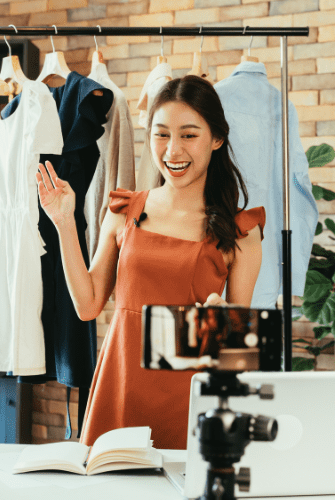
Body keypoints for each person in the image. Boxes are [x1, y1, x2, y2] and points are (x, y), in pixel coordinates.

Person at [35, 75, 265, 450]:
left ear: (217, 139)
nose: (173, 151)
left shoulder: (240, 230)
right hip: (121, 384)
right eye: (161, 135)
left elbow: (239, 355)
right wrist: (64, 223)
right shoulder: (126, 209)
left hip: (191, 397)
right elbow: (88, 304)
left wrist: (224, 321)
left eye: (189, 135)